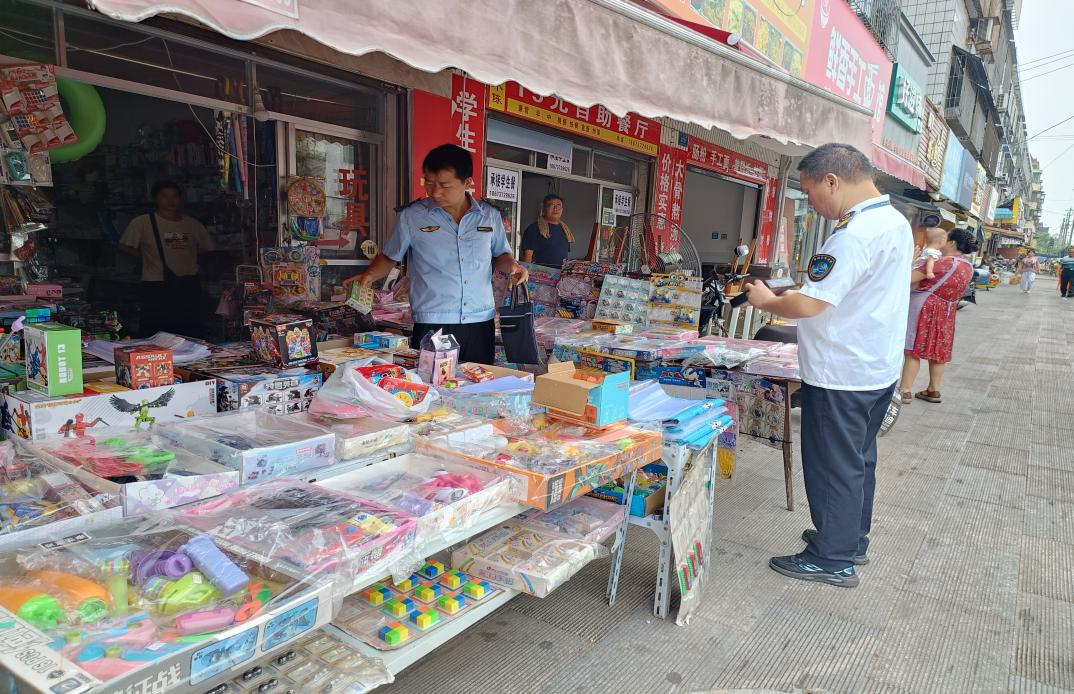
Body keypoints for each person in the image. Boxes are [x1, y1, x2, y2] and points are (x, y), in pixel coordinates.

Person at [745, 143, 912, 588]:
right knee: (857, 460)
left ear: (832, 181)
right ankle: (851, 538)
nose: (812, 202)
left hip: (842, 373)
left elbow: (811, 302)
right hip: (874, 368)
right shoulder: (893, 221)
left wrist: (768, 300)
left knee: (832, 464)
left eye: (810, 190)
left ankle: (831, 557)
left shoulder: (853, 235)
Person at [344, 144, 527, 364]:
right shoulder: (412, 217)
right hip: (433, 322)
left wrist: (513, 266)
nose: (435, 192)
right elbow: (389, 256)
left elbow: (500, 255)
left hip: (480, 322)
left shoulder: (489, 216)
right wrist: (370, 276)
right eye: (429, 183)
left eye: (445, 185)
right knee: (432, 388)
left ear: (467, 183)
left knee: (477, 389)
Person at [119, 180, 215, 337]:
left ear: (181, 198)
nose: (170, 201)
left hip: (188, 285)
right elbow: (125, 246)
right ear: (156, 198)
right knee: (157, 332)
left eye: (175, 196)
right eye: (165, 196)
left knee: (189, 331)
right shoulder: (143, 223)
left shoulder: (192, 224)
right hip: (156, 285)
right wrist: (147, 257)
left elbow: (208, 249)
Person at [899, 229, 977, 404]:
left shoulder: (942, 262)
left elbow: (906, 278)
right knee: (939, 350)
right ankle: (933, 390)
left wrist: (910, 261)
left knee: (913, 349)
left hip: (925, 307)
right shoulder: (968, 266)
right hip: (948, 311)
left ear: (951, 243)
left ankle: (905, 390)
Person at [520, 194, 574, 267]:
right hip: (541, 274)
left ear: (562, 209)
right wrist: (526, 273)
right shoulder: (534, 228)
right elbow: (527, 256)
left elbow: (565, 254)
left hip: (561, 274)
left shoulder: (565, 229)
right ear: (544, 209)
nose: (556, 208)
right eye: (552, 205)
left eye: (558, 205)